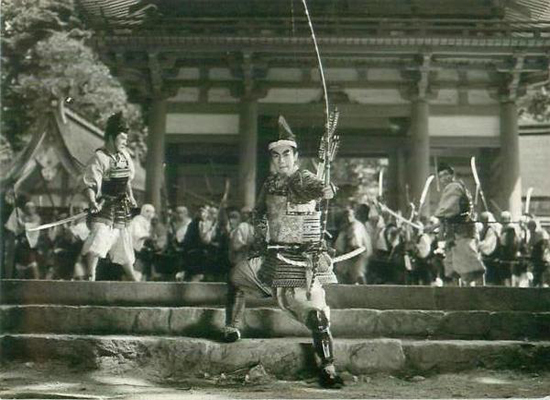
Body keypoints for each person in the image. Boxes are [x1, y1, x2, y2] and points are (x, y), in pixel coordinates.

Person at [223, 115, 343, 388]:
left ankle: (328, 367)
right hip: (271, 256)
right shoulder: (270, 183)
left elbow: (321, 188)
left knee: (316, 315)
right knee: (236, 276)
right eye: (276, 156)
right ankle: (232, 325)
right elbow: (258, 213)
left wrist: (327, 189)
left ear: (296, 156)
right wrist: (262, 232)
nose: (281, 160)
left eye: (286, 154)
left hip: (299, 261)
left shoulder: (303, 178)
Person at [80, 112, 138, 281]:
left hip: (122, 205)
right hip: (104, 204)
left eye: (126, 139)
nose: (125, 142)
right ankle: (91, 275)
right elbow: (90, 183)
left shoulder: (125, 156)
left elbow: (127, 180)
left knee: (124, 240)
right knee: (99, 238)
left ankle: (133, 278)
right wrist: (92, 201)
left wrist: (131, 196)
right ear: (112, 138)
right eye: (122, 138)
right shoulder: (99, 157)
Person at [434, 163, 485, 286]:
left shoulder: (454, 187)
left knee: (469, 267)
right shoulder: (456, 187)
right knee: (455, 268)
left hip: (462, 232)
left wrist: (437, 221)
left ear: (452, 175)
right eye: (441, 176)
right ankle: (459, 293)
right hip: (455, 234)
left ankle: (479, 293)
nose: (443, 178)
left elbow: (446, 210)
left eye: (446, 174)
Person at [334, 206, 372, 284]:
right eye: (346, 216)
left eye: (350, 215)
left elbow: (355, 243)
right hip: (346, 254)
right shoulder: (345, 226)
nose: (348, 218)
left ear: (354, 215)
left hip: (357, 254)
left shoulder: (356, 226)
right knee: (340, 272)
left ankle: (365, 289)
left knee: (358, 274)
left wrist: (350, 253)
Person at [129, 204, 155, 281]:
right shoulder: (137, 220)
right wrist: (147, 236)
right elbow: (136, 234)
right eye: (147, 211)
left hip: (144, 246)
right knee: (138, 263)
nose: (149, 214)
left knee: (144, 265)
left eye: (152, 212)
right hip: (136, 246)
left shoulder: (147, 221)